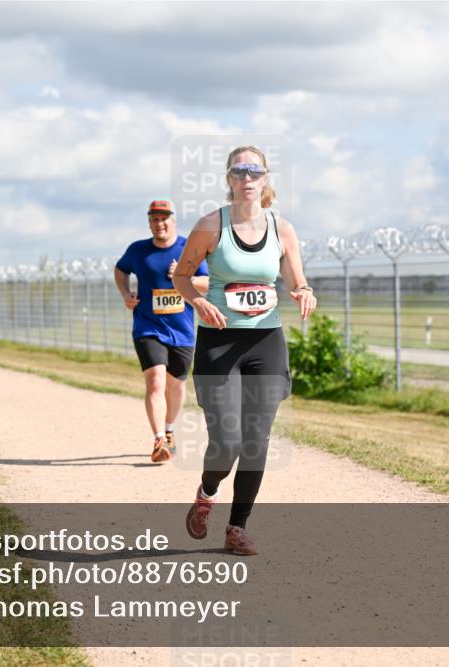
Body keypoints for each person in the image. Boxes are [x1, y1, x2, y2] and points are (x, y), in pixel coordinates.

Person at [172, 145, 317, 555]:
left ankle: (237, 527)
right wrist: (198, 302)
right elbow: (182, 277)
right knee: (227, 442)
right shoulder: (210, 226)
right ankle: (206, 493)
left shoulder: (282, 229)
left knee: (256, 441)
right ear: (229, 179)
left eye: (254, 171)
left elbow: (295, 279)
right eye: (239, 171)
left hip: (266, 343)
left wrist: (304, 291)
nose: (247, 178)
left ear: (265, 178)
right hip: (219, 343)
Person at [115, 200, 209, 463]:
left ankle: (169, 430)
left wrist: (185, 278)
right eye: (155, 219)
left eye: (164, 218)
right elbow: (120, 270)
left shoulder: (188, 248)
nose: (160, 224)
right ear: (150, 223)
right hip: (147, 326)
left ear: (173, 220)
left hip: (182, 329)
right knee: (156, 380)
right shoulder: (138, 250)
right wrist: (125, 294)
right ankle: (158, 439)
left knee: (176, 385)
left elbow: (208, 282)